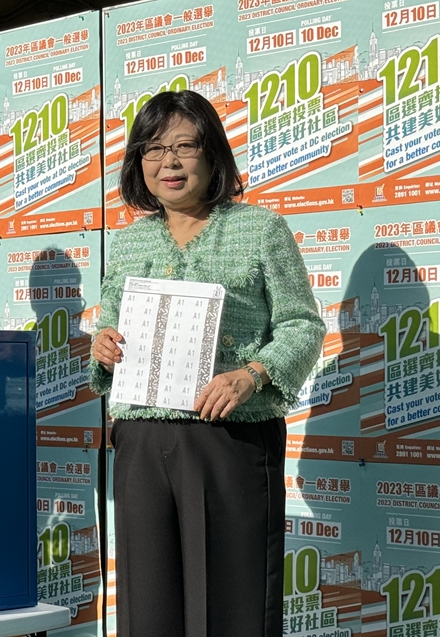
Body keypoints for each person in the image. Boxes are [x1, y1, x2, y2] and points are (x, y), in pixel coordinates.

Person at [89, 91, 325, 637]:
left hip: (229, 440)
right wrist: (103, 347)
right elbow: (112, 328)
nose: (168, 162)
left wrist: (253, 375)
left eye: (183, 146)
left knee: (232, 603)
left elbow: (302, 325)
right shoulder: (128, 243)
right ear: (136, 163)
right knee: (148, 606)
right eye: (152, 148)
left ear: (213, 154)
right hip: (142, 442)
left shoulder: (261, 230)